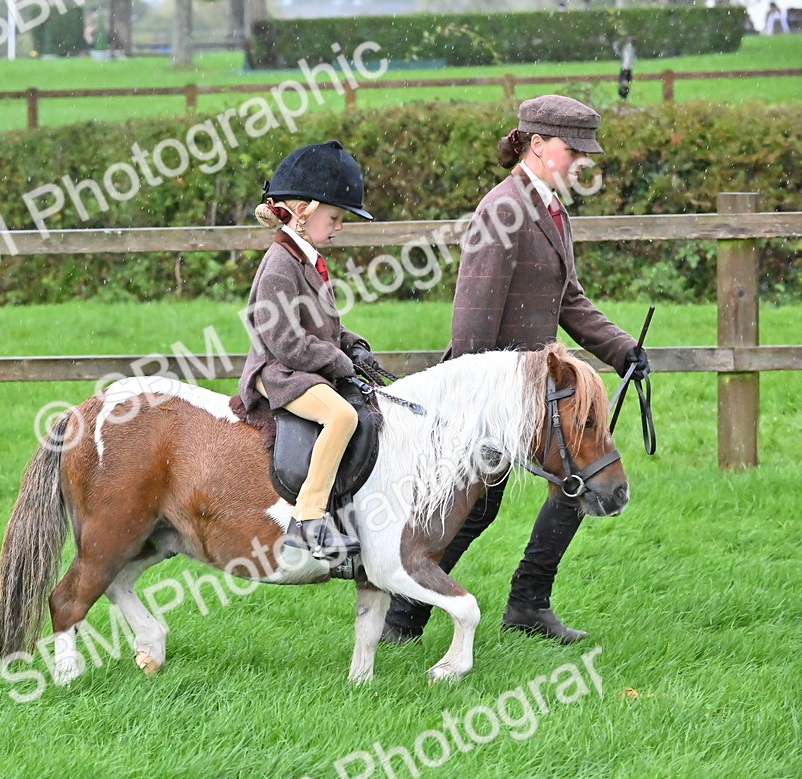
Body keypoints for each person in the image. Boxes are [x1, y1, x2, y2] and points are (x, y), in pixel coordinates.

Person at [381, 95, 650, 645]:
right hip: (496, 394)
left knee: (576, 483)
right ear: (536, 144)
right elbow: (473, 321)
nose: (580, 161)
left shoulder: (550, 207)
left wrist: (623, 350)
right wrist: (469, 402)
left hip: (539, 394)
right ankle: (401, 619)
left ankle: (528, 604)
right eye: (572, 150)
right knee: (472, 510)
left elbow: (570, 300)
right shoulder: (502, 210)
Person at [236, 140, 381, 561]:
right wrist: (338, 361)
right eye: (334, 217)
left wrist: (355, 347)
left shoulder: (307, 260)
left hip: (297, 365)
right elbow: (285, 342)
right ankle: (309, 518)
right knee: (341, 415)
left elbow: (324, 326)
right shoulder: (280, 264)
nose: (339, 226)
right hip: (277, 371)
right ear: (303, 211)